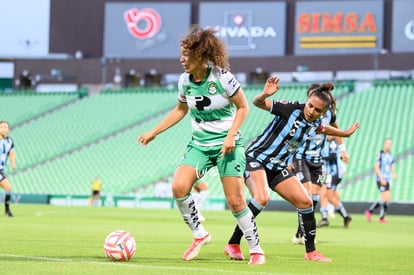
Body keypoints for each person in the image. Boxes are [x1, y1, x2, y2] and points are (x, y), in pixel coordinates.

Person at [137, 24, 265, 265]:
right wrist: (154, 131)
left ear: (200, 56)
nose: (181, 59)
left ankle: (256, 249)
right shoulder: (184, 81)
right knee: (178, 187)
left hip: (228, 146)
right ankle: (200, 235)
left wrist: (231, 136)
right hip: (200, 145)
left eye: (186, 55)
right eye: (182, 54)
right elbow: (180, 110)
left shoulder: (222, 77)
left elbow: (243, 107)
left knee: (235, 201)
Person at [224, 76, 359, 262]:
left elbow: (324, 129)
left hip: (278, 167)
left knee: (306, 203)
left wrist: (344, 134)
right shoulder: (291, 108)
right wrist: (265, 94)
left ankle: (311, 252)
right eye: (310, 105)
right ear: (308, 100)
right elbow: (257, 103)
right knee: (262, 197)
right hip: (257, 158)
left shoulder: (314, 123)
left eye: (317, 110)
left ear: (324, 112)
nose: (311, 111)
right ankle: (233, 243)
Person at [290, 84, 351, 245]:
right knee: (306, 195)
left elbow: (335, 131)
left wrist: (343, 149)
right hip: (301, 157)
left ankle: (300, 232)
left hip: (318, 160)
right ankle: (305, 235)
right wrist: (289, 158)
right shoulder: (302, 112)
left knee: (314, 198)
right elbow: (292, 136)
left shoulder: (329, 115)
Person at [317, 136, 352, 228]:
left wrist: (320, 156)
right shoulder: (327, 142)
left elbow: (333, 155)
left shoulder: (333, 142)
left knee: (329, 196)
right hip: (330, 174)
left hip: (334, 173)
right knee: (322, 194)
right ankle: (325, 219)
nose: (327, 135)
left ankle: (345, 216)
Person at [365, 139, 397, 223]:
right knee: (384, 198)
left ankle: (380, 217)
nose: (388, 145)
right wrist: (381, 178)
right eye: (387, 143)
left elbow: (391, 166)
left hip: (388, 179)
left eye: (390, 144)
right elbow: (376, 167)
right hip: (381, 179)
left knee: (387, 199)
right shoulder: (380, 154)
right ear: (384, 144)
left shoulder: (391, 156)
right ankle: (372, 213)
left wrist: (393, 173)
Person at [0, 121, 16, 217]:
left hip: (2, 170)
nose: (4, 128)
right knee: (8, 187)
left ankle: (7, 210)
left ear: (8, 129)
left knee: (8, 188)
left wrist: (13, 162)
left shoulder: (10, 141)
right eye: (1, 127)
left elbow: (12, 152)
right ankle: (7, 210)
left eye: (6, 127)